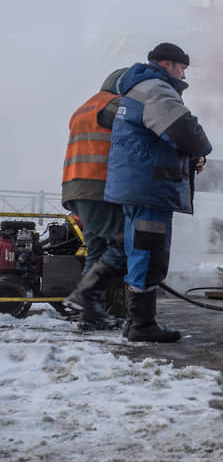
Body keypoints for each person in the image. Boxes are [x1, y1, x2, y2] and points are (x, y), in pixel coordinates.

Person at [104, 42, 212, 343]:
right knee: (148, 254)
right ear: (167, 64)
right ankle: (141, 325)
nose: (184, 73)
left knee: (141, 252)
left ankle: (137, 323)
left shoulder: (138, 88)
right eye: (182, 67)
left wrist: (190, 158)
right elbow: (186, 131)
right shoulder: (156, 89)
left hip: (139, 188)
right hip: (148, 189)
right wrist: (200, 149)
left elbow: (161, 137)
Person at [61, 68, 128, 329]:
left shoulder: (84, 107)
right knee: (124, 245)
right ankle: (83, 297)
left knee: (97, 249)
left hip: (75, 189)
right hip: (98, 187)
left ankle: (90, 315)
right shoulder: (114, 105)